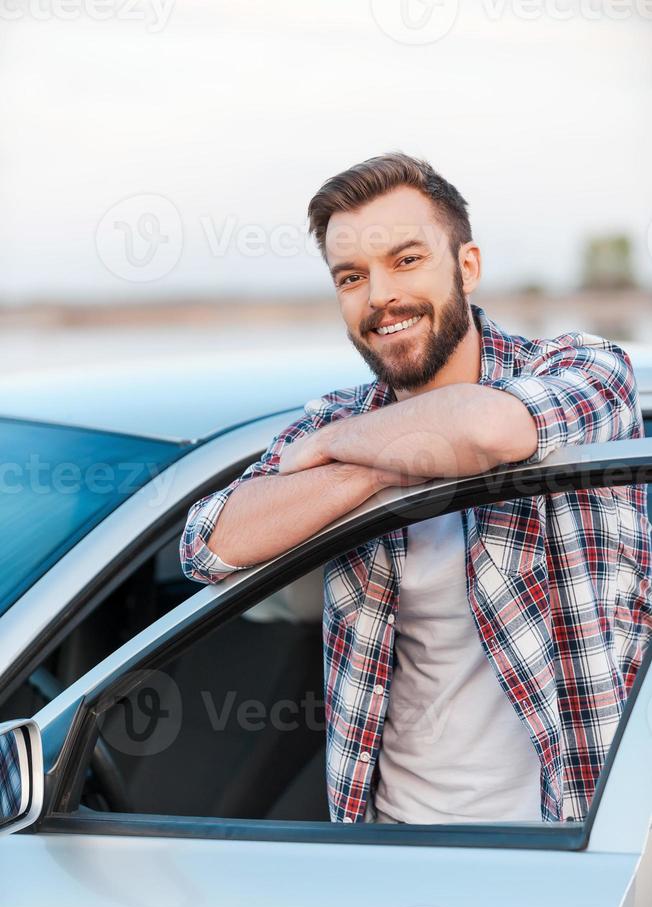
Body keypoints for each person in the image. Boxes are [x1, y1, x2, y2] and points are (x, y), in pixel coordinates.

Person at [180, 152, 652, 825]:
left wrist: (334, 455)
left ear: (466, 267)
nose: (379, 298)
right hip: (392, 844)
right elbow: (210, 543)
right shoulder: (336, 420)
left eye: (406, 260)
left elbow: (490, 432)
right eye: (352, 277)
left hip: (574, 839)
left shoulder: (583, 366)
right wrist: (389, 458)